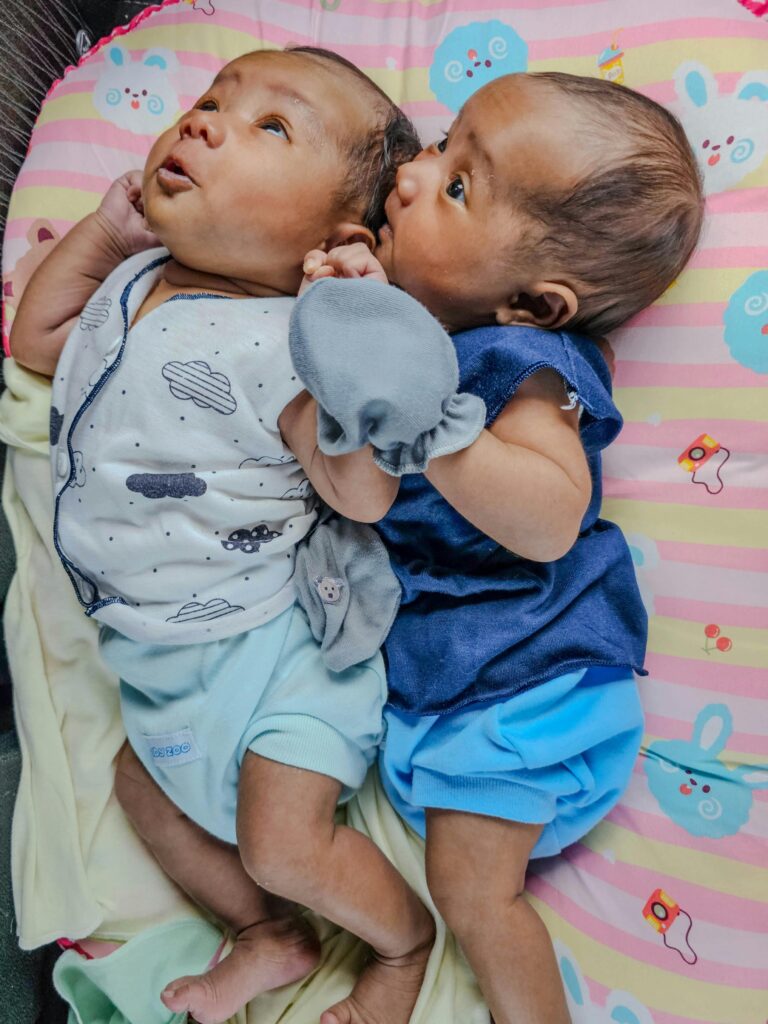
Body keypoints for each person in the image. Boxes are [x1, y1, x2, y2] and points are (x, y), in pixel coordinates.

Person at [9, 47, 438, 1024]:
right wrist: (104, 235)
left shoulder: (294, 341)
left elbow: (362, 495)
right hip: (153, 667)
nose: (203, 121)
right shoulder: (133, 281)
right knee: (136, 788)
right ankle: (268, 933)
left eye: (269, 127)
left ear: (330, 240)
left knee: (284, 844)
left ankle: (402, 943)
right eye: (210, 100)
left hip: (275, 664)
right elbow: (36, 342)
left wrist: (354, 333)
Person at [286, 71, 705, 1024]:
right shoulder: (404, 329)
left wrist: (439, 428)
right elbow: (356, 494)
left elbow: (552, 517)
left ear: (536, 305)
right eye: (442, 145)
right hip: (442, 687)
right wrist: (336, 352)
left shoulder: (528, 368)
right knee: (450, 872)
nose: (410, 175)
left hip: (530, 675)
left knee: (472, 894)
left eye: (457, 185)